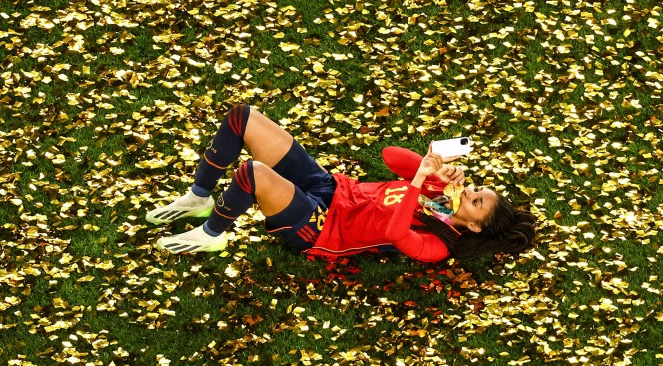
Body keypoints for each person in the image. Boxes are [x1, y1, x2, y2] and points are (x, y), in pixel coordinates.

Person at [146, 104, 537, 263]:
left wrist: (419, 184)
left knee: (251, 174)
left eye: (476, 202)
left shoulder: (438, 246)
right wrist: (432, 171)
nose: (469, 192)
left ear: (474, 226)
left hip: (321, 226)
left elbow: (395, 230)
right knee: (242, 117)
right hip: (332, 189)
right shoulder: (441, 193)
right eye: (477, 188)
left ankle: (214, 231)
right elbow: (390, 156)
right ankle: (198, 197)